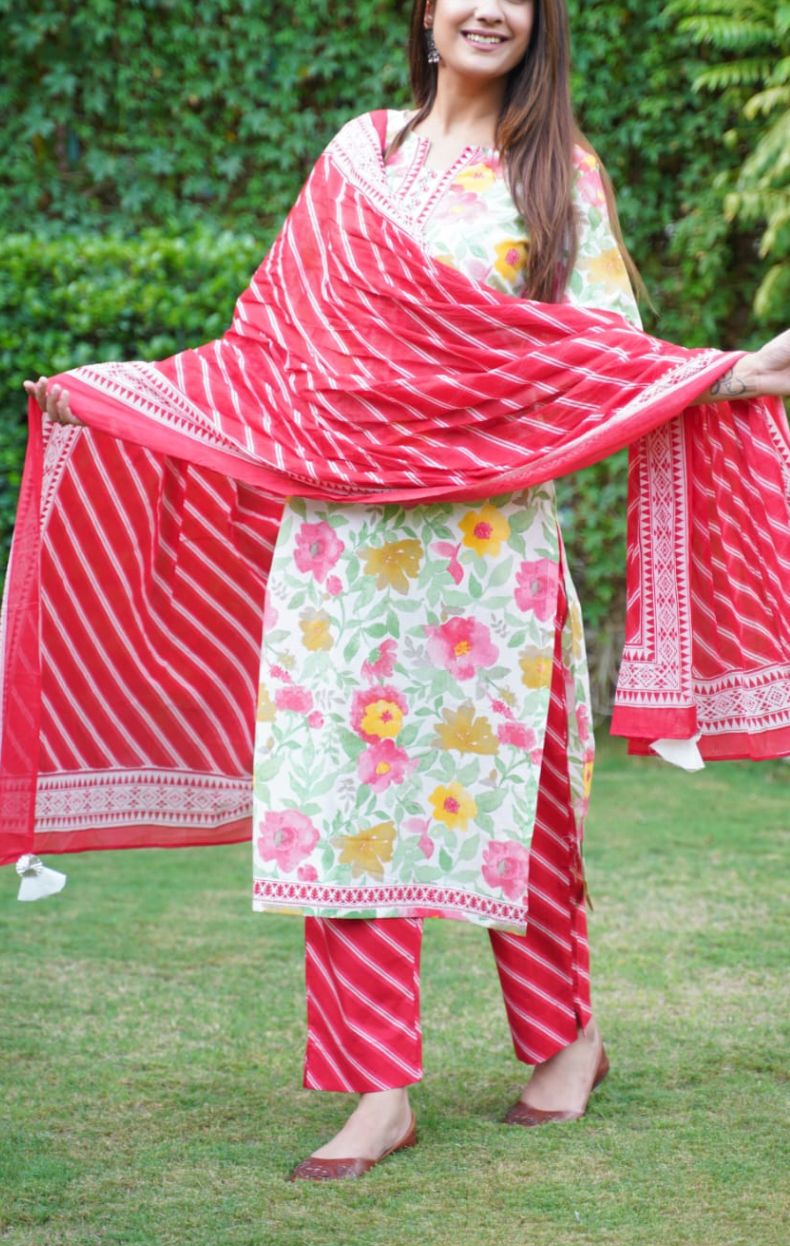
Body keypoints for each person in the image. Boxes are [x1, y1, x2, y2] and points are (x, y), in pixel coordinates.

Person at [17, 0, 790, 1183]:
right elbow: (270, 351)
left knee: (521, 810)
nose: (489, 9)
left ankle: (568, 1039)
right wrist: (122, 393)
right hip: (342, 553)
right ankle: (377, 1095)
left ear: (537, 24)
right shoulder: (357, 158)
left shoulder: (558, 179)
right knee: (341, 808)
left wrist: (729, 374)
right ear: (425, 15)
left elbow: (599, 361)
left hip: (489, 555)